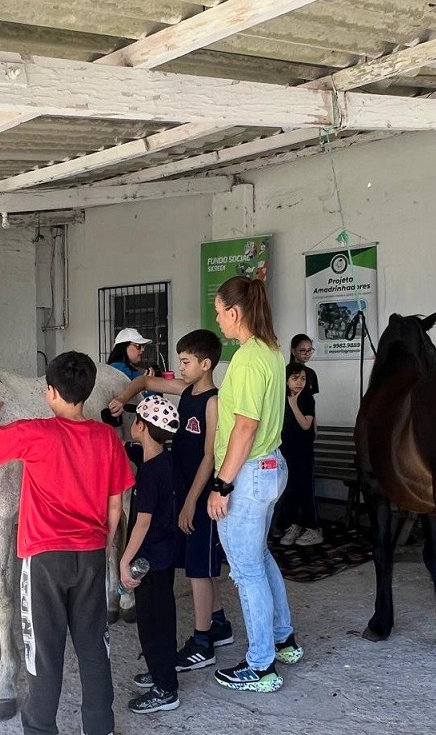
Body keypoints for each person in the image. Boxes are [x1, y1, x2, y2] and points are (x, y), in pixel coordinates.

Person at [0, 351, 134, 735]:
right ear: (88, 391)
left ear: (50, 392)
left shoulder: (36, 432)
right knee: (94, 646)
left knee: (43, 652)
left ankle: (41, 727)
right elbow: (116, 503)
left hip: (44, 560)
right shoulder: (106, 438)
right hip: (90, 553)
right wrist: (103, 542)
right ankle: (100, 726)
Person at [108, 329, 234, 674]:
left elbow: (209, 456)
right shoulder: (187, 390)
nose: (180, 367)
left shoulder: (213, 401)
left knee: (199, 572)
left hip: (201, 497)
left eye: (186, 361)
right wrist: (122, 397)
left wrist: (191, 501)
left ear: (205, 364)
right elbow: (146, 382)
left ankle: (203, 642)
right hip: (183, 492)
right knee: (196, 566)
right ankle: (219, 623)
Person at [207, 275, 303, 693]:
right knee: (260, 558)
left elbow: (245, 427)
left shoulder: (247, 359)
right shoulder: (272, 350)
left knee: (246, 571)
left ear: (234, 312)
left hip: (246, 475)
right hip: (270, 467)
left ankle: (261, 666)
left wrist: (222, 485)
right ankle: (284, 639)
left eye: (219, 312)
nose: (217, 320)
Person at [119, 396, 182, 714]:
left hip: (150, 557)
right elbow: (128, 449)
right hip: (164, 553)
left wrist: (123, 560)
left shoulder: (150, 474)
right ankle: (161, 672)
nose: (132, 424)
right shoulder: (162, 460)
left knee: (152, 621)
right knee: (162, 616)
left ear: (142, 427)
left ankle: (166, 690)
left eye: (135, 420)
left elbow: (142, 522)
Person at [277, 362, 321, 546]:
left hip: (303, 452)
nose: (299, 382)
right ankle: (293, 525)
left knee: (305, 489)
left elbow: (305, 424)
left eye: (303, 378)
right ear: (286, 380)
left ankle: (313, 529)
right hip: (286, 450)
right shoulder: (280, 398)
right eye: (295, 378)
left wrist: (294, 405)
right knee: (289, 489)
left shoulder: (307, 399)